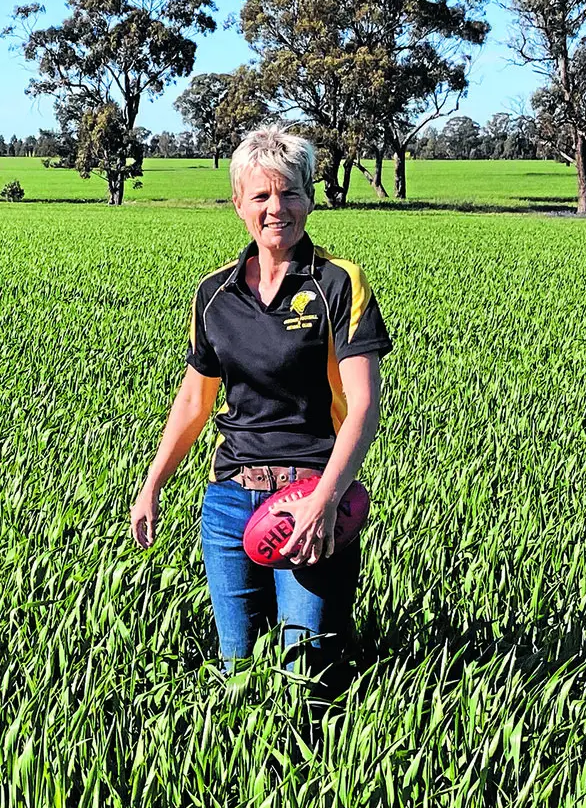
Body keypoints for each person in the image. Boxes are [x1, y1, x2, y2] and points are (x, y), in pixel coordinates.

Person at [129, 125, 393, 677]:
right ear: (238, 204)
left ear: (311, 197)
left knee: (310, 673)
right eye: (262, 195)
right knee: (237, 668)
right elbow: (194, 402)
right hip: (229, 502)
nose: (278, 207)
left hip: (310, 496)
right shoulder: (215, 294)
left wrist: (325, 498)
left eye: (291, 191)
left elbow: (363, 405)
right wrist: (152, 483)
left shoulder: (338, 283)